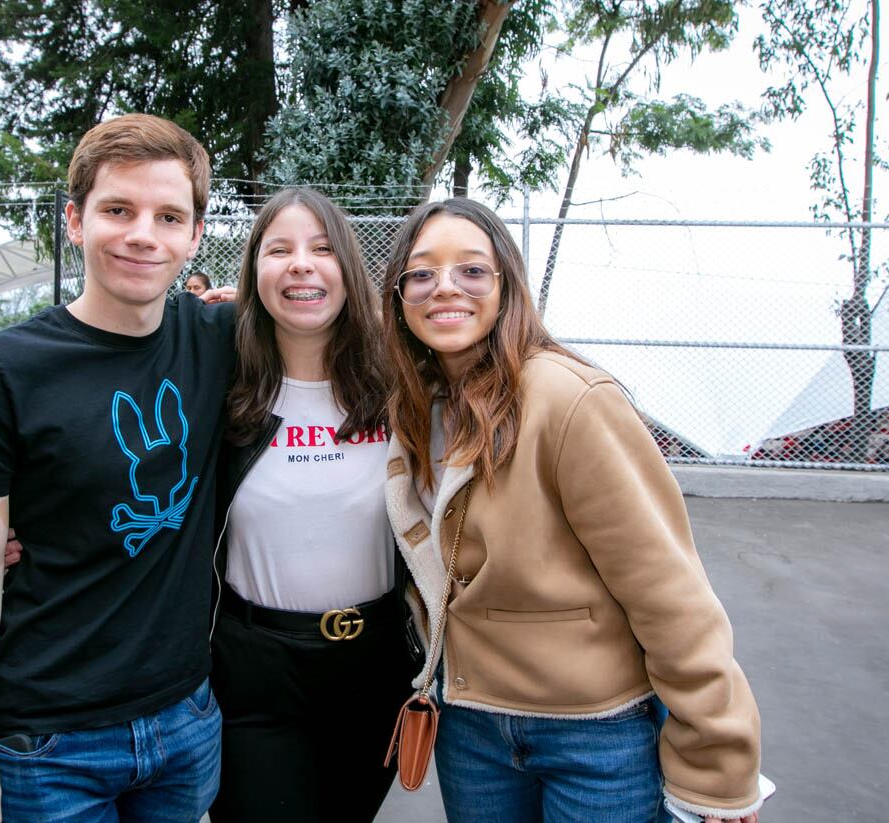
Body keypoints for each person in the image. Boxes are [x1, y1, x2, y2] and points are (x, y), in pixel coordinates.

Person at [380, 198, 762, 823]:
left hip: (592, 734)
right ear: (399, 298)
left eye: (471, 270)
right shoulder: (418, 408)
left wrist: (717, 765)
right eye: (420, 274)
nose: (444, 286)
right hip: (470, 730)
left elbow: (670, 594)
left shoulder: (569, 399)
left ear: (508, 286)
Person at [0, 113, 233, 823]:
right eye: (117, 209)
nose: (142, 234)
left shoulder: (219, 337)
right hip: (48, 739)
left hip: (186, 717)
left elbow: (349, 326)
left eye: (168, 215)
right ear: (74, 219)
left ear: (193, 235)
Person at [207, 188, 415, 822]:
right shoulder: (217, 383)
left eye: (322, 249)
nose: (302, 263)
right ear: (255, 274)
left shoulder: (403, 386)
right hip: (253, 667)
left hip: (376, 667)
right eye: (280, 250)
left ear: (349, 272)